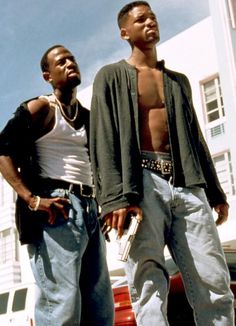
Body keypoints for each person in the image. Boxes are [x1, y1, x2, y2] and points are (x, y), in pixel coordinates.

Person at [90, 2, 234, 325]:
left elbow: (196, 138)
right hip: (140, 186)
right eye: (140, 19)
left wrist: (215, 191)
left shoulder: (178, 82)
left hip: (185, 181)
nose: (150, 21)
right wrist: (114, 199)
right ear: (125, 32)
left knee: (214, 282)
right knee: (148, 286)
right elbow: (102, 138)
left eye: (152, 16)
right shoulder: (110, 76)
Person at [0, 45, 114, 326]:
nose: (69, 63)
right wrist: (32, 199)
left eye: (72, 59)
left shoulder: (87, 116)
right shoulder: (40, 107)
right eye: (60, 62)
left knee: (99, 309)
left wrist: (105, 205)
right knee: (61, 307)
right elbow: (3, 150)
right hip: (58, 208)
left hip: (90, 209)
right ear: (47, 75)